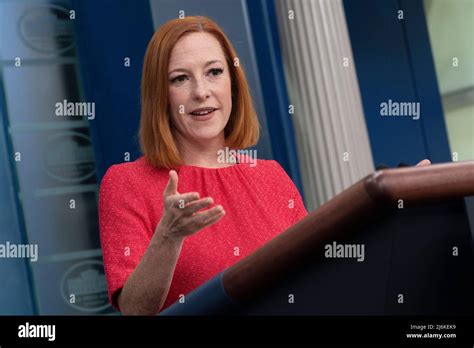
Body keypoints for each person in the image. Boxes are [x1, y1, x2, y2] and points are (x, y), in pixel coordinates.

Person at [99, 16, 307, 315]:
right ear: (160, 95)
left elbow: (313, 276)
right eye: (180, 78)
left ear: (233, 84)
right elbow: (135, 311)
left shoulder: (271, 176)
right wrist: (168, 237)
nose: (201, 91)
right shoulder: (126, 182)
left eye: (214, 72)